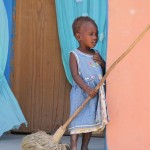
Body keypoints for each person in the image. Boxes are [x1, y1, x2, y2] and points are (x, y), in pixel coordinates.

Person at [68, 16, 108, 150]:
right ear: (79, 36)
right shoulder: (74, 54)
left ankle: (84, 146)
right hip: (81, 93)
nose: (95, 37)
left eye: (96, 34)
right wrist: (86, 88)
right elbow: (75, 75)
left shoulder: (96, 53)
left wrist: (102, 62)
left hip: (93, 94)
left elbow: (104, 71)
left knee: (89, 121)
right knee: (76, 118)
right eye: (91, 34)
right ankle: (73, 145)